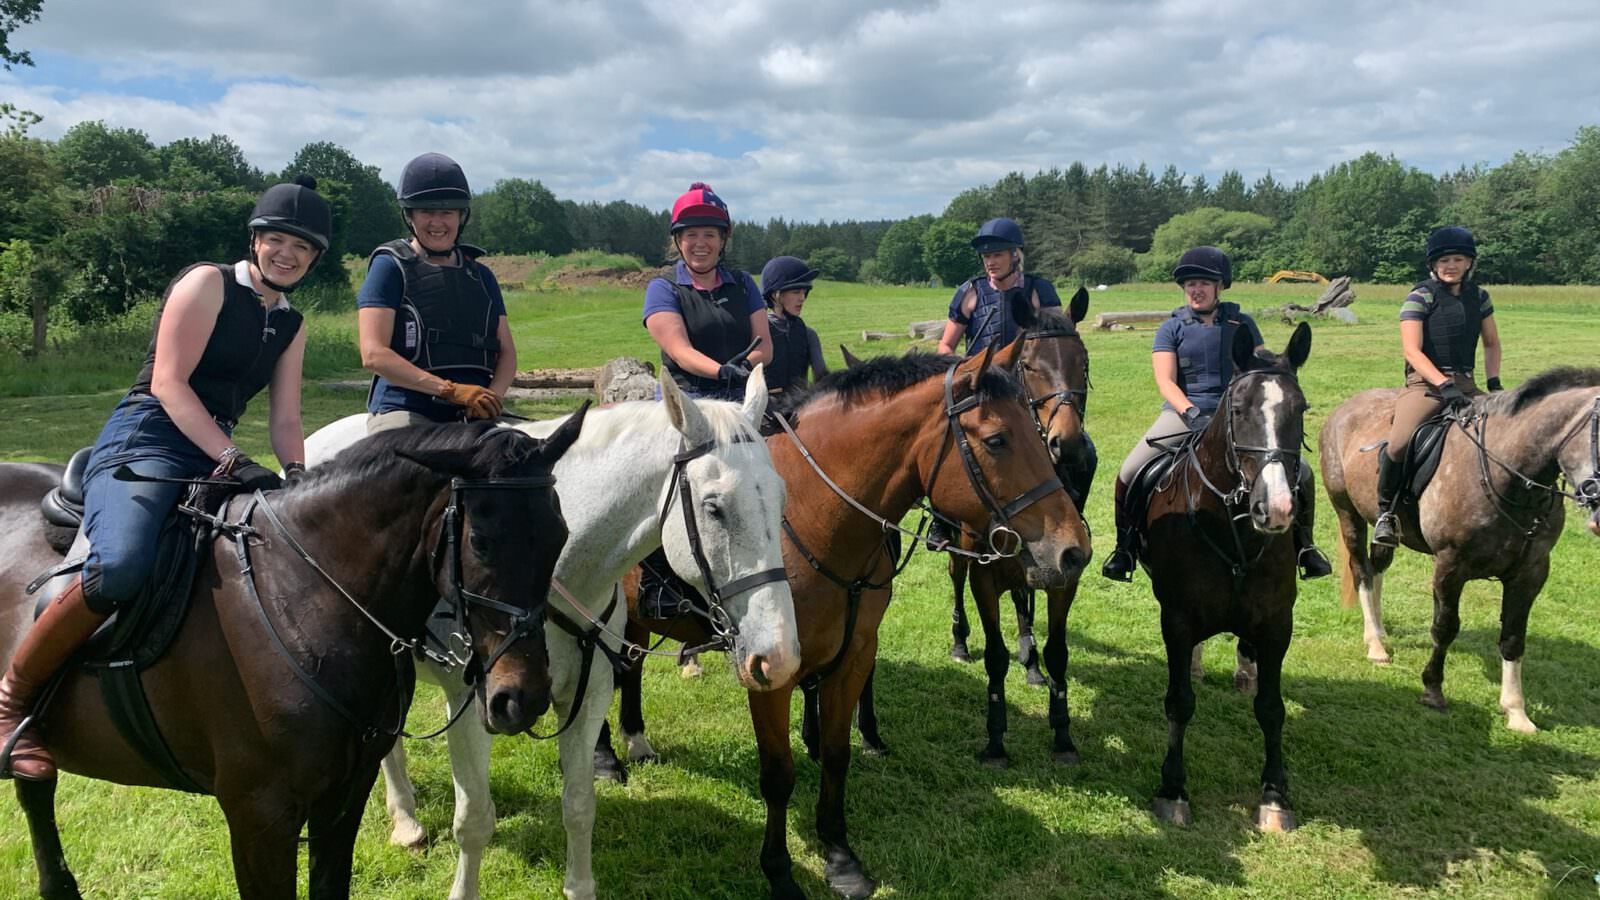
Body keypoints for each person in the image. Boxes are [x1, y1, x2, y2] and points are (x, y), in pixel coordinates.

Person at [0, 177, 329, 782]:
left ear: (314, 259)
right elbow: (169, 385)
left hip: (211, 450)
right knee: (122, 564)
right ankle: (9, 704)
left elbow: (286, 417)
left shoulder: (292, 324)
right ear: (255, 240)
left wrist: (298, 478)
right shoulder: (207, 282)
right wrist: (231, 458)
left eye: (302, 248)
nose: (288, 254)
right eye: (278, 239)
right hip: (145, 440)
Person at [1100, 246, 1331, 582]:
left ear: (1219, 286)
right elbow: (1165, 381)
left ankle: (1305, 547)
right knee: (1130, 469)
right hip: (1185, 412)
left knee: (1303, 472)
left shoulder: (1242, 323)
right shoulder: (1171, 329)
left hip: (1239, 416)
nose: (1196, 290)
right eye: (1191, 284)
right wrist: (1190, 411)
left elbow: (1256, 366)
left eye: (1204, 283)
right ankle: (1124, 548)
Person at [358, 152, 516, 434]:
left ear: (460, 216)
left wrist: (493, 398)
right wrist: (450, 390)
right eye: (427, 212)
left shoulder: (481, 276)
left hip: (474, 410)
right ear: (410, 216)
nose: (437, 222)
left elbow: (507, 353)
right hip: (407, 407)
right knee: (406, 473)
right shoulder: (390, 267)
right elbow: (373, 353)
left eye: (447, 212)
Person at [1371, 226, 1503, 549]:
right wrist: (1443, 384)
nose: (1451, 265)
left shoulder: (1480, 297)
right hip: (1425, 386)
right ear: (1433, 264)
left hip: (1467, 385)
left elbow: (1491, 343)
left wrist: (1494, 383)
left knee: (1504, 432)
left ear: (1469, 263)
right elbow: (1411, 350)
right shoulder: (1421, 296)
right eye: (1444, 259)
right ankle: (1385, 513)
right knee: (1400, 442)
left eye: (1458, 259)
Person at [641, 182, 771, 401]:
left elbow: (765, 344)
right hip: (687, 399)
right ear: (678, 240)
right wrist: (721, 372)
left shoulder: (743, 283)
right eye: (691, 234)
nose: (700, 243)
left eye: (709, 235)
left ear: (722, 241)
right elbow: (680, 351)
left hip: (742, 395)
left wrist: (745, 365)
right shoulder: (663, 288)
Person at [937, 217, 1063, 356]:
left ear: (1015, 255)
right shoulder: (970, 291)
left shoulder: (1039, 289)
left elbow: (1059, 342)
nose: (990, 262)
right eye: (986, 256)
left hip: (1026, 375)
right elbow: (946, 345)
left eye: (997, 255)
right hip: (983, 375)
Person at [759, 255, 827, 394]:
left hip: (799, 407)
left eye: (804, 292)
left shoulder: (808, 334)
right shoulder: (757, 333)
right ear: (775, 295)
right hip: (765, 407)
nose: (802, 298)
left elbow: (822, 377)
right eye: (796, 292)